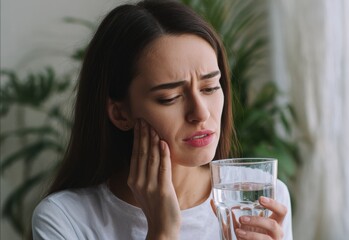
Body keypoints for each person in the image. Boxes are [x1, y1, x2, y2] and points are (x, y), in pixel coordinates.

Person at [32, 0, 293, 239]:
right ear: (120, 114)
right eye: (170, 97)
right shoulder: (64, 218)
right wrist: (162, 231)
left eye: (210, 87)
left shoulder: (258, 196)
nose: (201, 113)